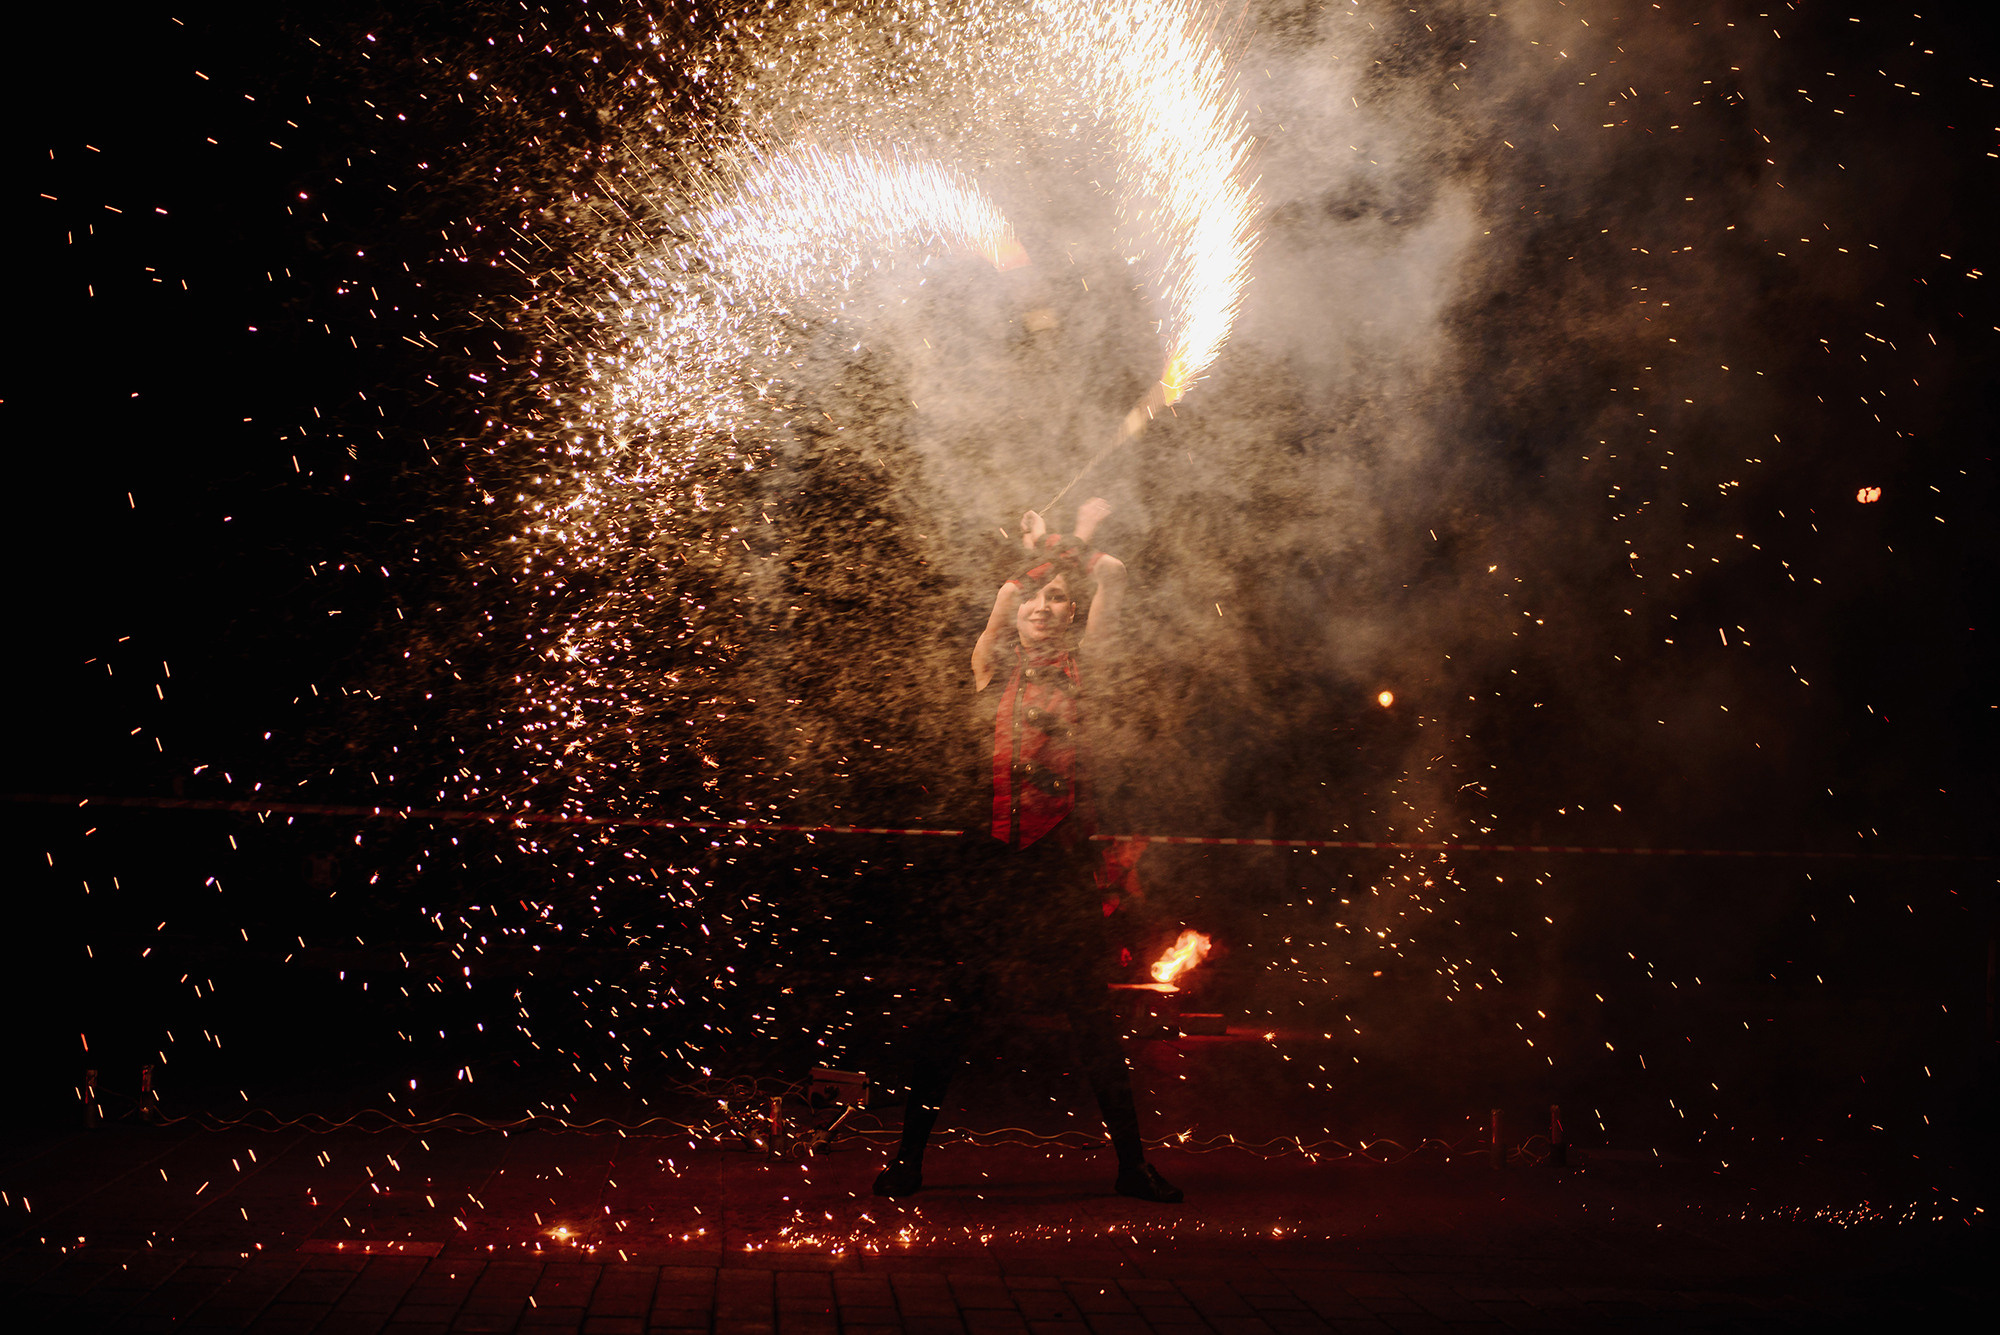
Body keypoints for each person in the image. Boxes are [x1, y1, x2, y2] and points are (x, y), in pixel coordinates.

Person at [872, 498, 1183, 1204]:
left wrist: (1074, 540)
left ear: (1073, 612)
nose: (1043, 607)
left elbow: (1116, 574)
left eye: (1059, 598)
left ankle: (1132, 1166)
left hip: (1057, 865)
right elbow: (1006, 595)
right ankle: (909, 1161)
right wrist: (1041, 550)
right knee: (953, 1012)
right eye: (1034, 598)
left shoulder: (1087, 666)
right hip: (989, 865)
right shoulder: (988, 664)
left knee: (1091, 1017)